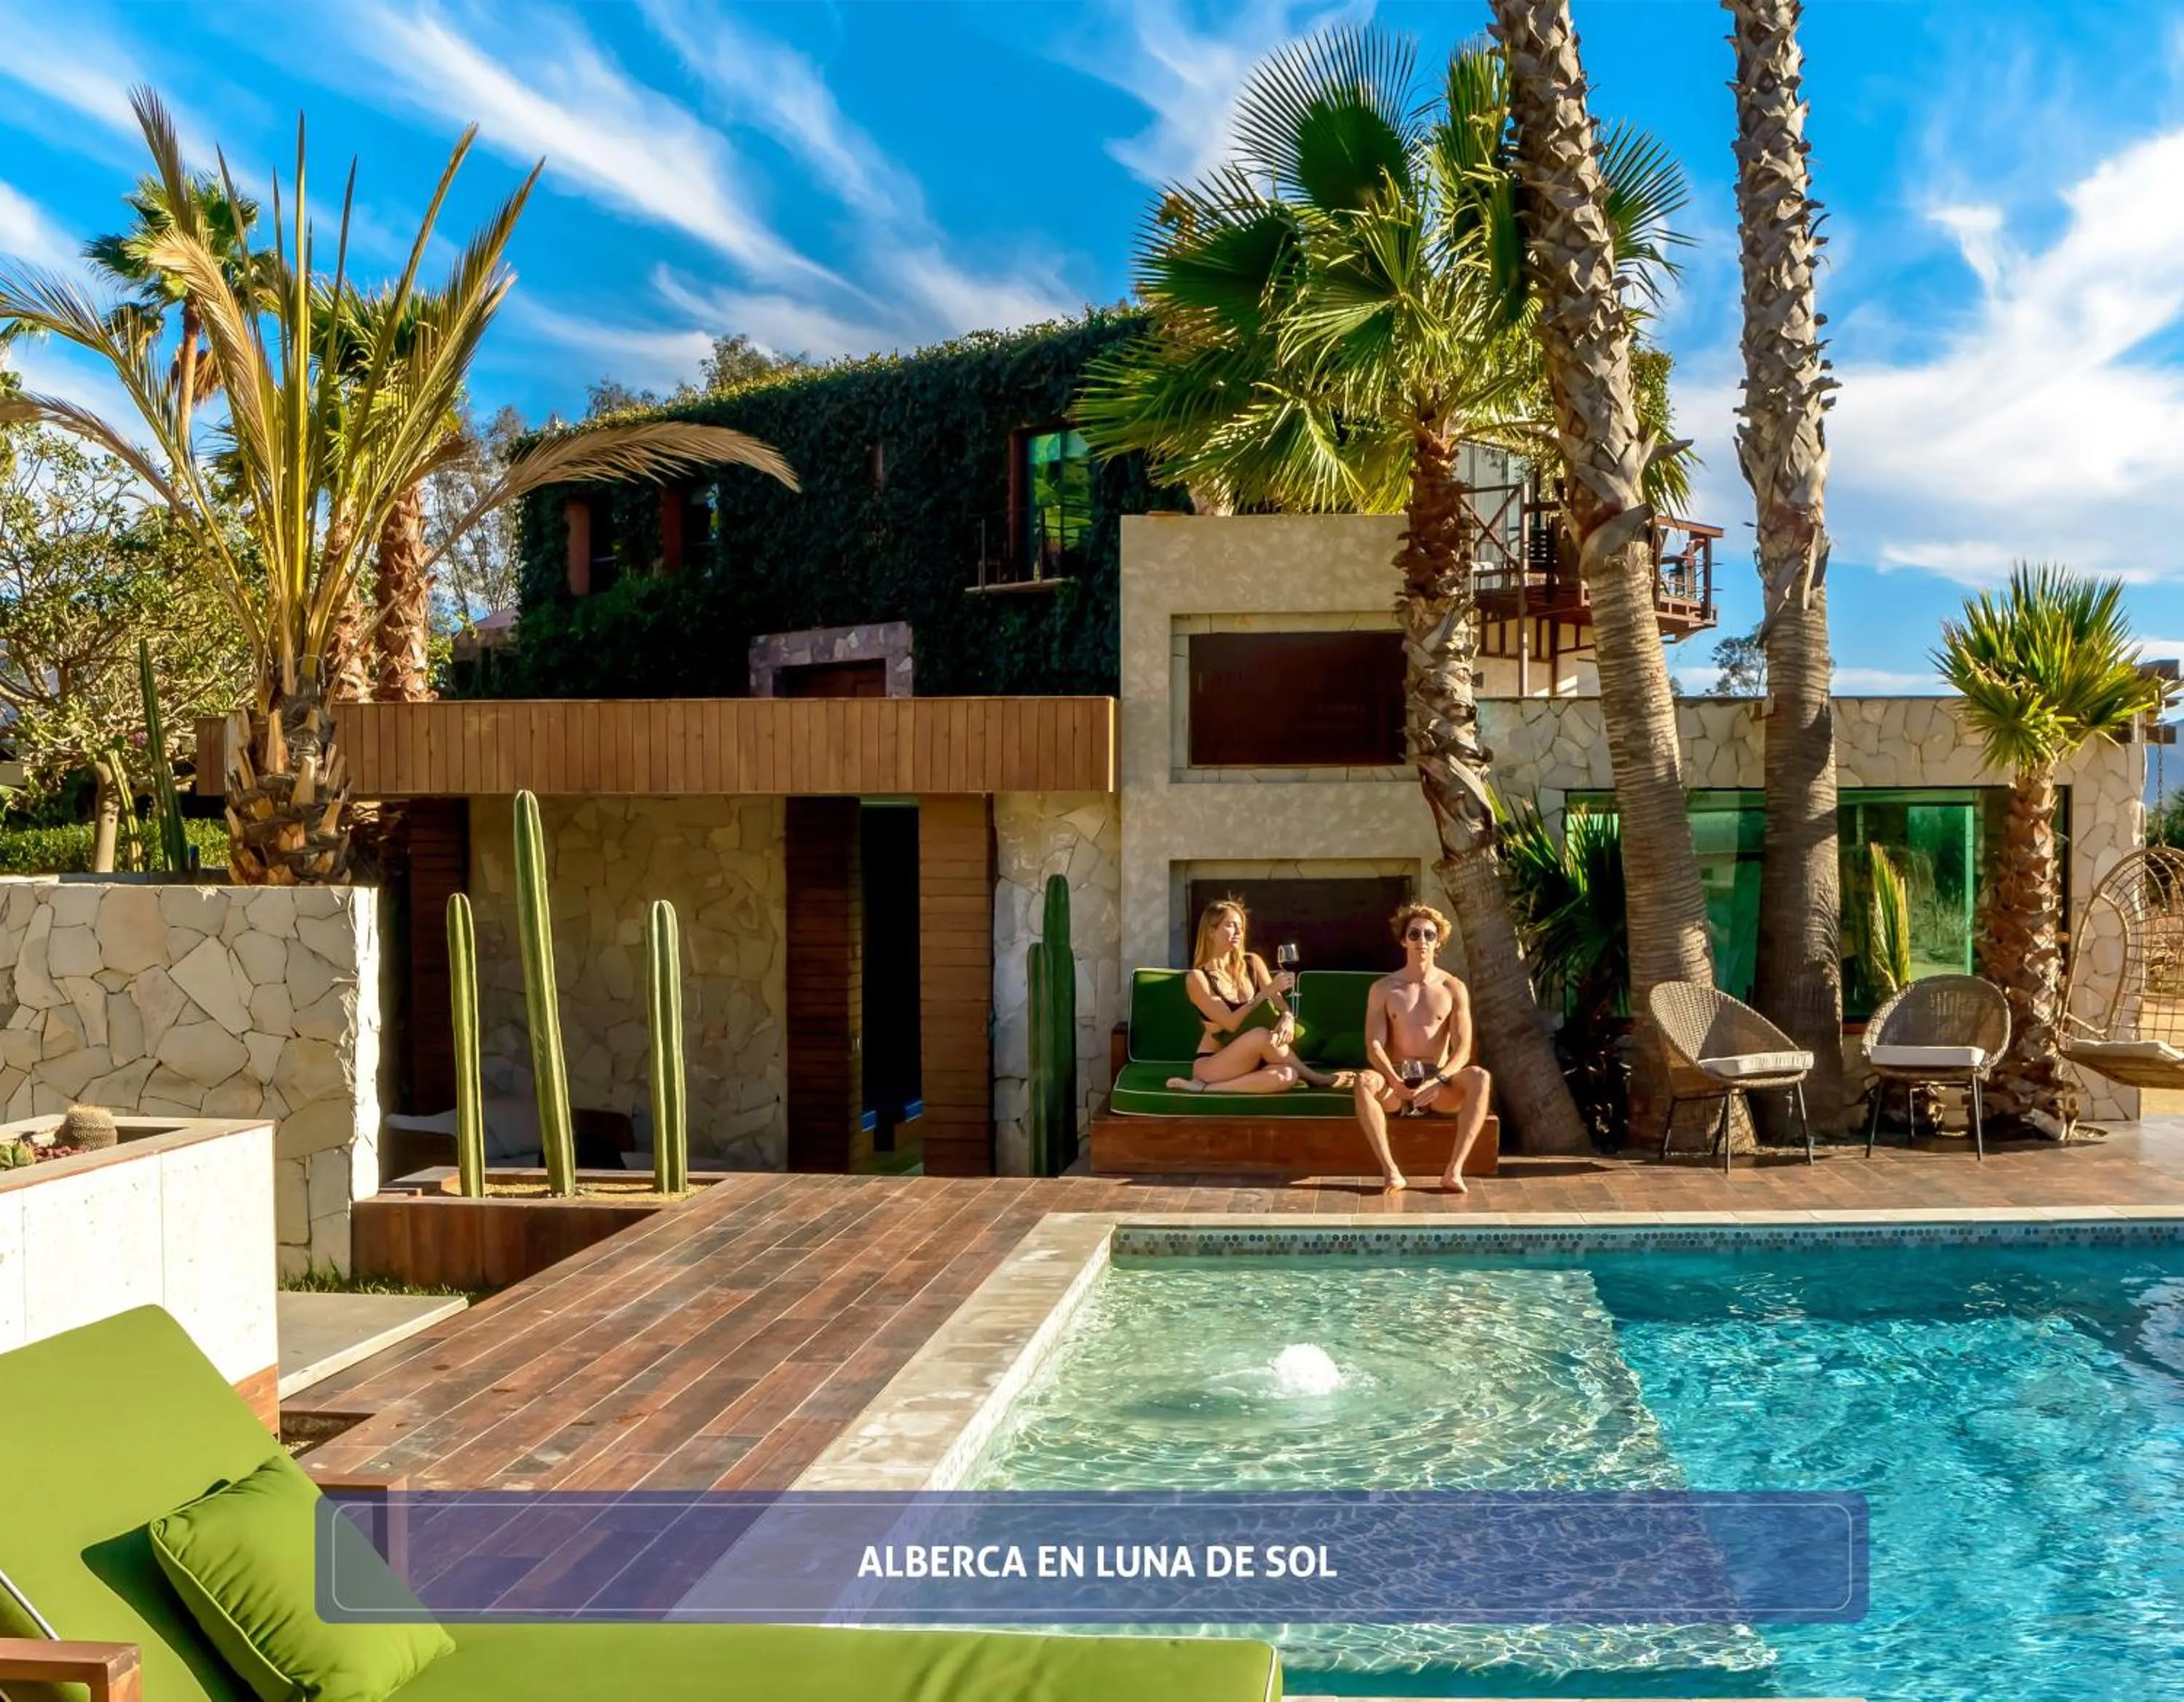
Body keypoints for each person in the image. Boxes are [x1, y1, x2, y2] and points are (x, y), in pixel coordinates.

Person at [1352, 902, 1492, 1194]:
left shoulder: (1453, 987)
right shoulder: (1384, 989)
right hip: (1397, 1080)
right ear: (1404, 940)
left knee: (1480, 1076)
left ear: (1438, 941)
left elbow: (1463, 1048)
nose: (1422, 941)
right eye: (1414, 934)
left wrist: (1438, 1078)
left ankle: (1453, 1171)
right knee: (1364, 1080)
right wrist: (1394, 1080)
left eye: (1429, 935)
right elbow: (1373, 1045)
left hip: (1438, 1083)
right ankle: (1391, 1173)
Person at [1167, 899, 1346, 1095]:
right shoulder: (1198, 978)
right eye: (1230, 925)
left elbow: (1281, 1005)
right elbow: (1230, 1023)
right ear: (1211, 932)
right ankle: (1316, 1078)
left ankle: (1205, 1089)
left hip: (1258, 1058)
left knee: (1287, 1075)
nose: (1238, 932)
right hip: (1215, 1063)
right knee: (1261, 1034)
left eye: (1240, 927)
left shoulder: (1252, 963)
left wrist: (1287, 1017)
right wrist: (1266, 993)